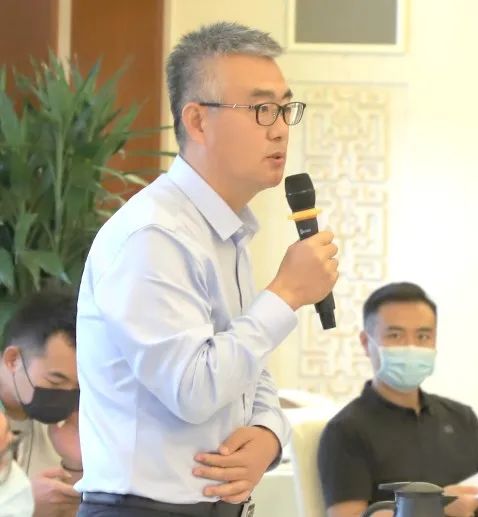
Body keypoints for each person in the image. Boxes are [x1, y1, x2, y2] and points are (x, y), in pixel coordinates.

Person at [76, 21, 338, 517]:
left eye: (285, 108)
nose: (280, 128)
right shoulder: (153, 236)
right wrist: (285, 294)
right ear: (197, 121)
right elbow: (192, 390)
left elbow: (247, 363)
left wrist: (268, 433)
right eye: (261, 109)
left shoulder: (225, 231)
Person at [318, 282, 478, 517]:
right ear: (366, 343)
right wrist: (437, 508)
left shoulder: (463, 418)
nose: (411, 346)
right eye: (395, 335)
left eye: (423, 336)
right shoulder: (346, 430)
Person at [0, 288, 81, 517]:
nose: (66, 394)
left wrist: (75, 465)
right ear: (13, 360)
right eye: (56, 381)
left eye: (77, 387)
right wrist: (20, 505)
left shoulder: (65, 430)